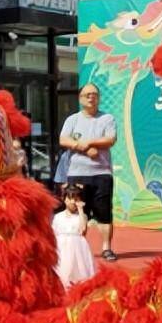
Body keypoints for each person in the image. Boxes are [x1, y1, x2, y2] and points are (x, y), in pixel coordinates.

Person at [59, 83, 118, 260]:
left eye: (94, 94)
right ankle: (77, 249)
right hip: (77, 172)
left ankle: (107, 248)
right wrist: (83, 148)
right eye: (87, 95)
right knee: (75, 210)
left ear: (99, 98)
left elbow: (110, 139)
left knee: (104, 212)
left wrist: (89, 143)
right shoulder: (72, 120)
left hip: (101, 173)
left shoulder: (107, 118)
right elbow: (63, 139)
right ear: (80, 98)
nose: (91, 97)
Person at [52, 184, 95, 289]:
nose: (73, 202)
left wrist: (81, 210)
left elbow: (83, 230)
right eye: (70, 198)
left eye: (76, 199)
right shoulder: (57, 216)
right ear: (65, 200)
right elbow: (53, 233)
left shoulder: (82, 216)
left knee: (79, 271)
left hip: (78, 248)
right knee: (63, 270)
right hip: (62, 247)